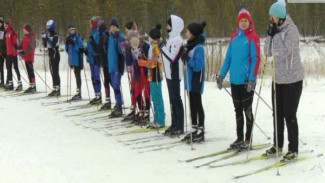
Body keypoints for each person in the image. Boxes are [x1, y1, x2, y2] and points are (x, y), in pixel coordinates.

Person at [263, 1, 304, 162]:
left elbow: (283, 52)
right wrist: (269, 35)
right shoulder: (275, 29)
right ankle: (277, 145)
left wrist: (275, 36)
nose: (270, 19)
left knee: (289, 114)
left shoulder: (291, 30)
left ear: (279, 17)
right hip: (278, 79)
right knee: (277, 114)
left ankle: (293, 149)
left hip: (293, 80)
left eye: (272, 16)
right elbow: (267, 52)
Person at [216, 8, 260, 149]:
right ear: (238, 22)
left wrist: (252, 78)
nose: (243, 23)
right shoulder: (234, 38)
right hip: (235, 81)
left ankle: (248, 139)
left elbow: (256, 58)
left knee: (247, 110)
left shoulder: (253, 37)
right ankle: (240, 138)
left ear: (249, 21)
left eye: (245, 20)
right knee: (237, 110)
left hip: (247, 82)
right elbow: (228, 59)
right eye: (241, 20)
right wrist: (221, 76)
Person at [182, 22, 207, 143]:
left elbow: (197, 66)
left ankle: (201, 131)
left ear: (193, 33)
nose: (186, 33)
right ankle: (194, 129)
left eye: (188, 31)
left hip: (197, 79)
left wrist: (188, 58)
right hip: (189, 80)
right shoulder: (191, 45)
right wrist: (184, 56)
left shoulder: (199, 47)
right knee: (192, 104)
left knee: (197, 104)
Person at [161, 15, 185, 136]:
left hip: (175, 73)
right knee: (172, 99)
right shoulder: (171, 39)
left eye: (169, 25)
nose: (167, 27)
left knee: (176, 99)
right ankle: (174, 123)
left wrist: (162, 48)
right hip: (169, 73)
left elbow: (172, 57)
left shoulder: (177, 40)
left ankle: (180, 126)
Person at [129, 29, 151, 125]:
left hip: (145, 73)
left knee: (146, 93)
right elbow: (129, 61)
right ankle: (141, 110)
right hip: (138, 73)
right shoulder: (131, 47)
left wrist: (143, 59)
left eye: (134, 37)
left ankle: (147, 113)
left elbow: (150, 61)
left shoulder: (145, 46)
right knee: (137, 92)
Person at [146, 24, 165, 128]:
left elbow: (154, 61)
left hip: (156, 75)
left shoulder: (155, 47)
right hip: (151, 75)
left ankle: (161, 120)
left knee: (157, 97)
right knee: (154, 97)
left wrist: (145, 63)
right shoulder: (152, 46)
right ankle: (157, 118)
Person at [107, 17, 125, 118]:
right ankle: (118, 105)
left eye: (114, 26)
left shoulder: (119, 36)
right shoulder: (110, 37)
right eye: (111, 26)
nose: (112, 28)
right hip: (112, 66)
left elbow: (121, 51)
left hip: (117, 66)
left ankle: (119, 107)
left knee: (117, 86)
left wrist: (119, 40)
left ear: (117, 27)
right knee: (114, 86)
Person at [122, 21, 138, 122]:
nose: (125, 31)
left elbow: (134, 52)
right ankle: (133, 107)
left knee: (135, 88)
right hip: (131, 67)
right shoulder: (128, 39)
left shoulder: (133, 38)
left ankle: (136, 108)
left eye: (126, 29)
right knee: (133, 88)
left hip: (135, 68)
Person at [85, 16, 102, 105]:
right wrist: (86, 50)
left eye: (91, 23)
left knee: (96, 76)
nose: (90, 25)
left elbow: (97, 47)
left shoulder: (97, 33)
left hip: (95, 59)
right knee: (93, 77)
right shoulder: (92, 33)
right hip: (91, 58)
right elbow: (90, 46)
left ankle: (99, 95)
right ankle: (96, 95)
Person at [65, 24, 84, 101]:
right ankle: (78, 92)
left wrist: (73, 43)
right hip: (72, 60)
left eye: (73, 30)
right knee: (76, 75)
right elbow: (67, 50)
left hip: (78, 60)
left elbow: (81, 49)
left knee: (78, 75)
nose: (72, 31)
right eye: (71, 30)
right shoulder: (69, 38)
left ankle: (79, 92)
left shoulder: (78, 38)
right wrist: (67, 43)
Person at [42, 20, 61, 96]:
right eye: (46, 26)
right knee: (52, 71)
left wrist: (46, 38)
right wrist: (44, 39)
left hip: (55, 54)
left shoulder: (55, 35)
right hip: (50, 55)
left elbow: (53, 45)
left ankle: (58, 88)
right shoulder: (49, 34)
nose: (47, 28)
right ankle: (54, 87)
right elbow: (45, 45)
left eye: (48, 26)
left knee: (55, 71)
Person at [16, 24, 36, 94]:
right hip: (26, 56)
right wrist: (17, 47)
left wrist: (23, 52)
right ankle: (31, 85)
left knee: (31, 71)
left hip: (29, 56)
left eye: (24, 29)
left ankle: (33, 86)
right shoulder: (25, 37)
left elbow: (31, 48)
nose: (23, 30)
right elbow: (21, 45)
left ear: (28, 30)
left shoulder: (32, 37)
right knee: (28, 71)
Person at [97, 20, 112, 110]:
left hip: (107, 62)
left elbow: (104, 49)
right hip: (104, 62)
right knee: (107, 81)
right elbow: (99, 49)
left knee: (109, 81)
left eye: (99, 27)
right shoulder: (101, 35)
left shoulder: (105, 35)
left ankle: (110, 101)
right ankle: (108, 100)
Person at [4, 21, 21, 91]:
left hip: (13, 53)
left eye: (6, 26)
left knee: (16, 68)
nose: (5, 27)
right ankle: (11, 83)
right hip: (8, 53)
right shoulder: (7, 33)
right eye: (4, 26)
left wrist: (16, 51)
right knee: (8, 68)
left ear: (9, 26)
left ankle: (20, 83)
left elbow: (15, 43)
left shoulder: (12, 33)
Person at [0, 17, 6, 88]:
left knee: (2, 66)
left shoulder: (3, 31)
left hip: (3, 51)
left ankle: (3, 81)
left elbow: (3, 42)